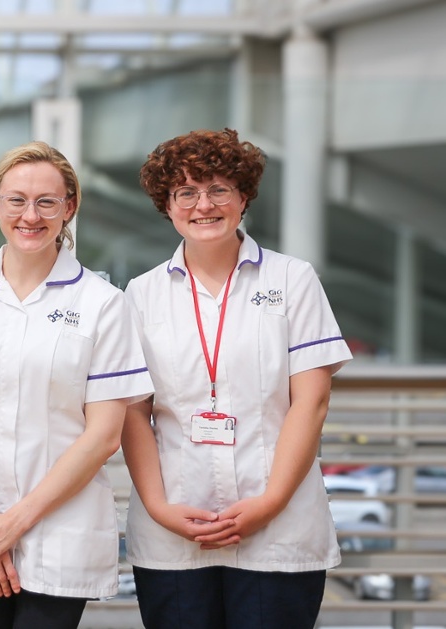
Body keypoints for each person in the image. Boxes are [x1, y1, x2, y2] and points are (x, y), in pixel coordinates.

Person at [0, 141, 153, 628]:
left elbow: (104, 435)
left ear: (70, 207)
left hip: (59, 529)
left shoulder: (103, 303)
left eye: (47, 201)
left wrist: (12, 525)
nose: (31, 215)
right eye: (17, 199)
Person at [122, 128, 352, 628]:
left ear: (243, 196)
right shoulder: (140, 296)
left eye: (219, 189)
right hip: (175, 530)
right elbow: (133, 411)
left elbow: (310, 402)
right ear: (168, 204)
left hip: (279, 527)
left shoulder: (292, 280)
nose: (203, 205)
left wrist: (269, 503)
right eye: (186, 192)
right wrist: (160, 508)